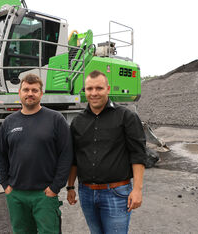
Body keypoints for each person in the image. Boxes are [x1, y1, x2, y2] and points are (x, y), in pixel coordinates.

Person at [66, 70, 146, 234]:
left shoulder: (126, 117)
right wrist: (70, 187)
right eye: (89, 89)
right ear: (84, 91)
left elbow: (137, 154)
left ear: (108, 89)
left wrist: (137, 189)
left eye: (99, 88)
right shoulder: (78, 122)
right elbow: (74, 157)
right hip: (86, 192)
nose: (94, 93)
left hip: (116, 193)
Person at [0, 73, 73, 234]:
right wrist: (5, 185)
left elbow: (66, 155)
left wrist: (55, 187)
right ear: (19, 92)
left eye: (34, 90)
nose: (30, 93)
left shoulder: (55, 119)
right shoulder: (9, 122)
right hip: (16, 194)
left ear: (41, 93)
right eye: (26, 90)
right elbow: (1, 155)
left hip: (44, 194)